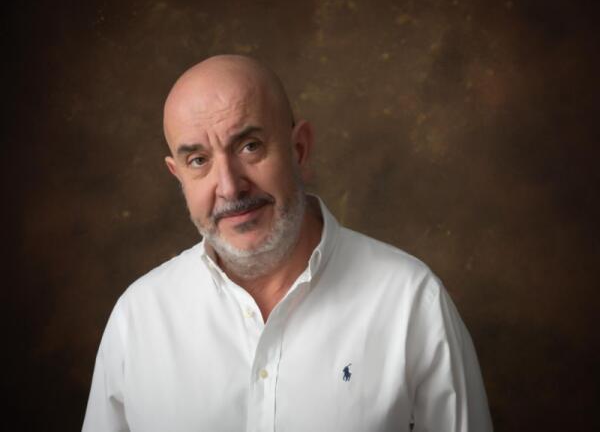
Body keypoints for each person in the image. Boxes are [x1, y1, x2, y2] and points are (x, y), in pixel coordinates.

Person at [82, 55, 493, 432]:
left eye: (249, 146)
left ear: (299, 149)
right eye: (199, 161)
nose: (229, 186)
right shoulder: (138, 318)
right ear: (178, 176)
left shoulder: (411, 301)